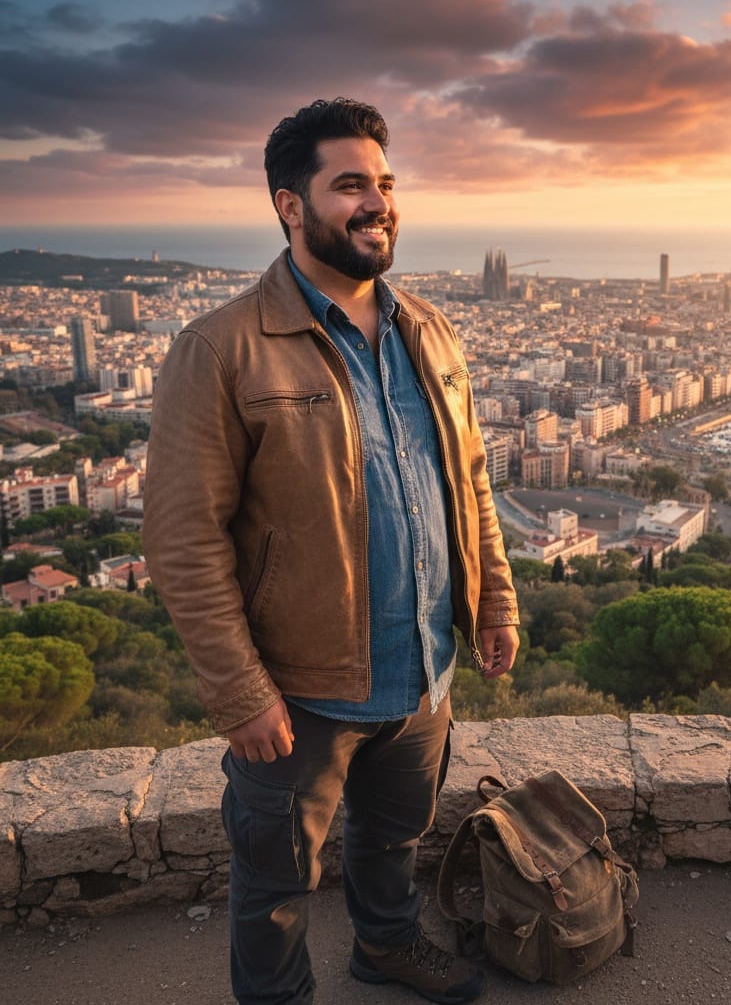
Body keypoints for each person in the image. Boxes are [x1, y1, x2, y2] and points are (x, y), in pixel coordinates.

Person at [143, 97, 520, 1005]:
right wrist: (240, 691)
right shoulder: (220, 349)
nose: (377, 202)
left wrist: (495, 599)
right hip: (300, 688)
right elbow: (183, 538)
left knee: (394, 839)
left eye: (385, 183)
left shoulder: (430, 330)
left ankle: (384, 947)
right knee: (275, 876)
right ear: (289, 205)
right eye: (350, 184)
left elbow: (469, 480)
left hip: (422, 668)